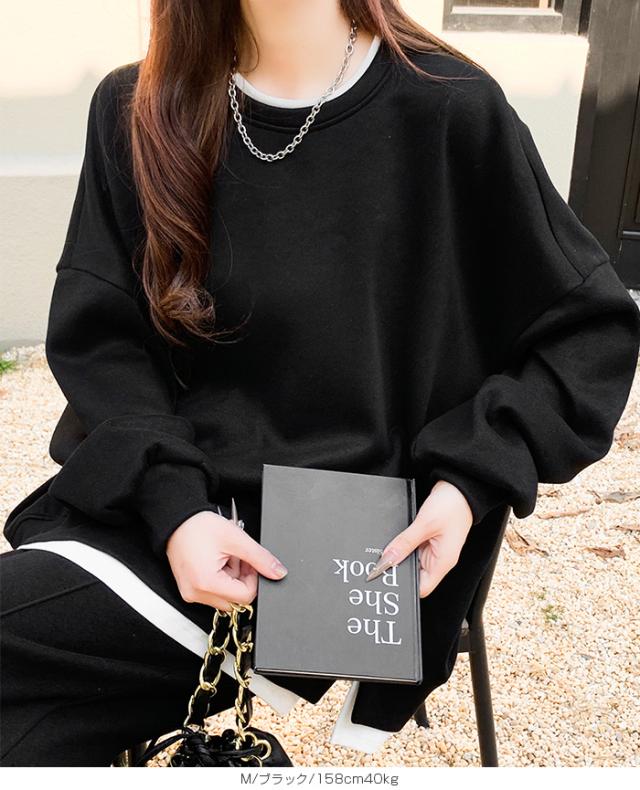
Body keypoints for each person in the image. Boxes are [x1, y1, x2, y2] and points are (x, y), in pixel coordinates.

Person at [2, 0, 639, 768]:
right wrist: (177, 512)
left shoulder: (448, 110)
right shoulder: (137, 108)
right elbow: (106, 345)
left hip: (339, 558)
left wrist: (469, 481)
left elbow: (590, 331)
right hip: (163, 512)